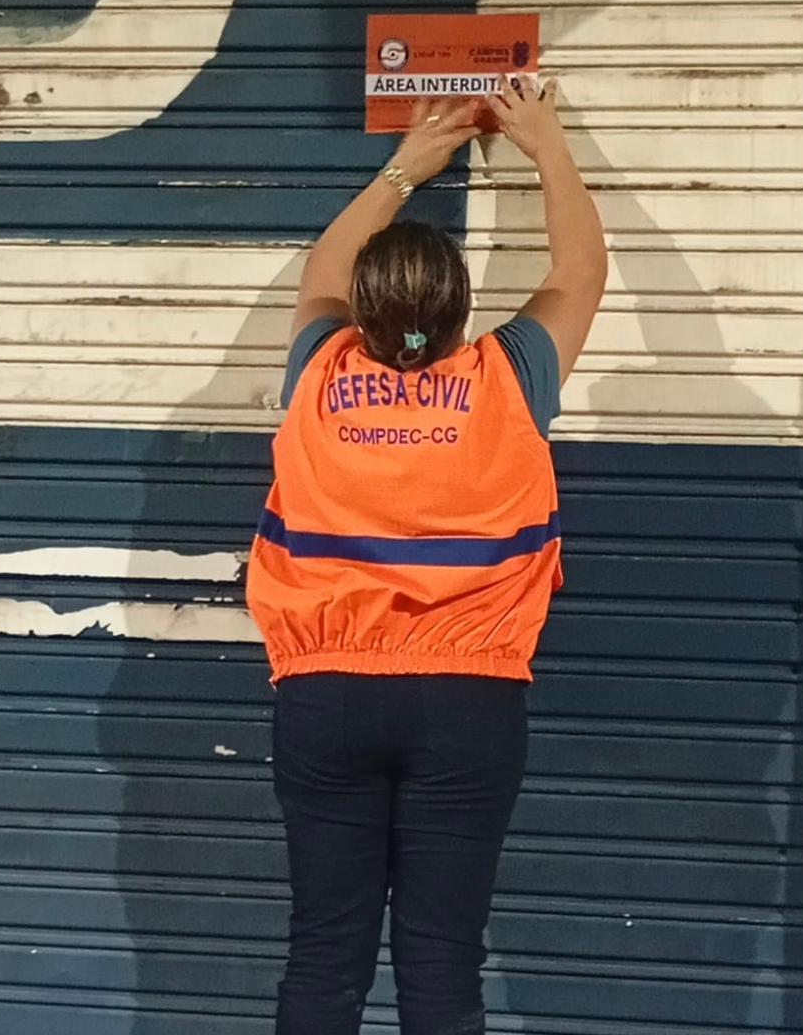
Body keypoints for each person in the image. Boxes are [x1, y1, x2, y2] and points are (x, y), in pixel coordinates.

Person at [245, 75, 608, 1035]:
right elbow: (581, 271)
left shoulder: (320, 370)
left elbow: (322, 268)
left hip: (325, 697)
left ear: (361, 314)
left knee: (323, 956)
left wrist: (405, 169)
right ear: (462, 312)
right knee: (443, 965)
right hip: (469, 703)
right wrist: (547, 145)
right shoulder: (510, 378)